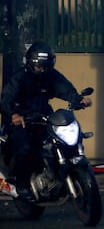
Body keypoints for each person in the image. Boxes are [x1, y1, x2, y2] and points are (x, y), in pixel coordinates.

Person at [0, 41, 92, 200]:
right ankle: (22, 184)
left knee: (60, 139)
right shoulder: (20, 77)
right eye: (39, 67)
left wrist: (78, 99)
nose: (42, 70)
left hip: (44, 117)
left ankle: (56, 175)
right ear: (30, 64)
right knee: (25, 146)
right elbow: (6, 99)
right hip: (22, 120)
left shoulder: (51, 75)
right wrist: (14, 114)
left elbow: (64, 88)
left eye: (46, 66)